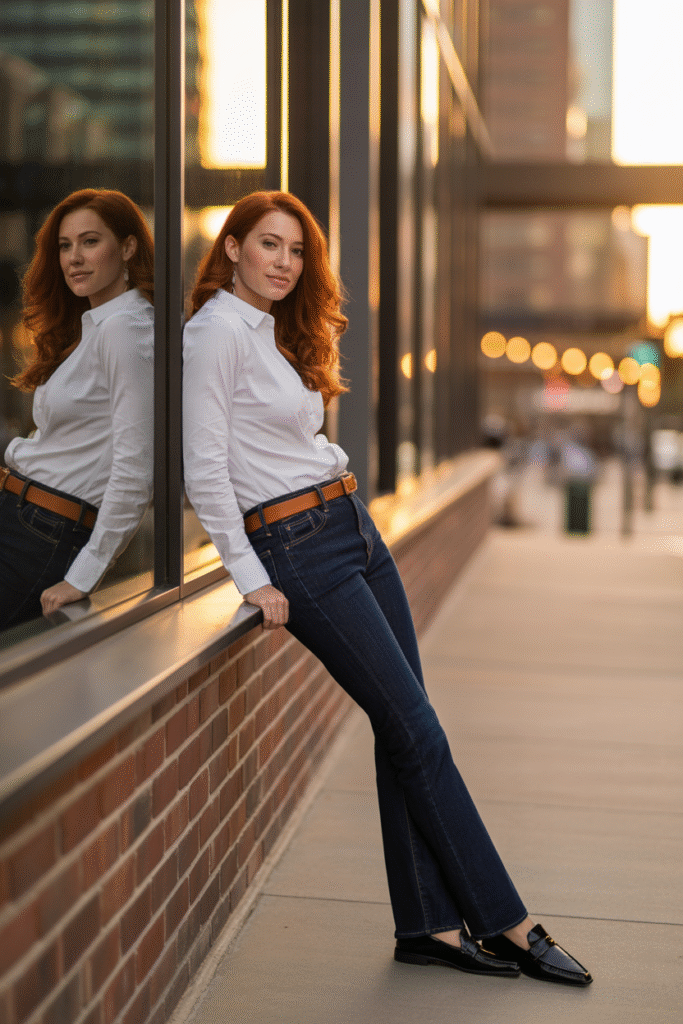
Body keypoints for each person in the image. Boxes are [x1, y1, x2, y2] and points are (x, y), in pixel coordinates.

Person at [182, 190, 593, 987]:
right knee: (418, 731)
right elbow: (203, 467)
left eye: (295, 251)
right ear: (231, 247)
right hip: (298, 550)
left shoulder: (268, 330)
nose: (283, 263)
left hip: (351, 528)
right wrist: (250, 576)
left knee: (404, 727)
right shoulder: (214, 333)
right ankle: (506, 921)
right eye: (268, 244)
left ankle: (429, 925)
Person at [0, 189, 154, 631]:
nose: (74, 258)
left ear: (127, 247)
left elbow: (136, 465)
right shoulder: (99, 326)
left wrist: (84, 574)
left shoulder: (125, 329)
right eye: (65, 246)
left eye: (90, 242)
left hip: (44, 531)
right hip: (25, 517)